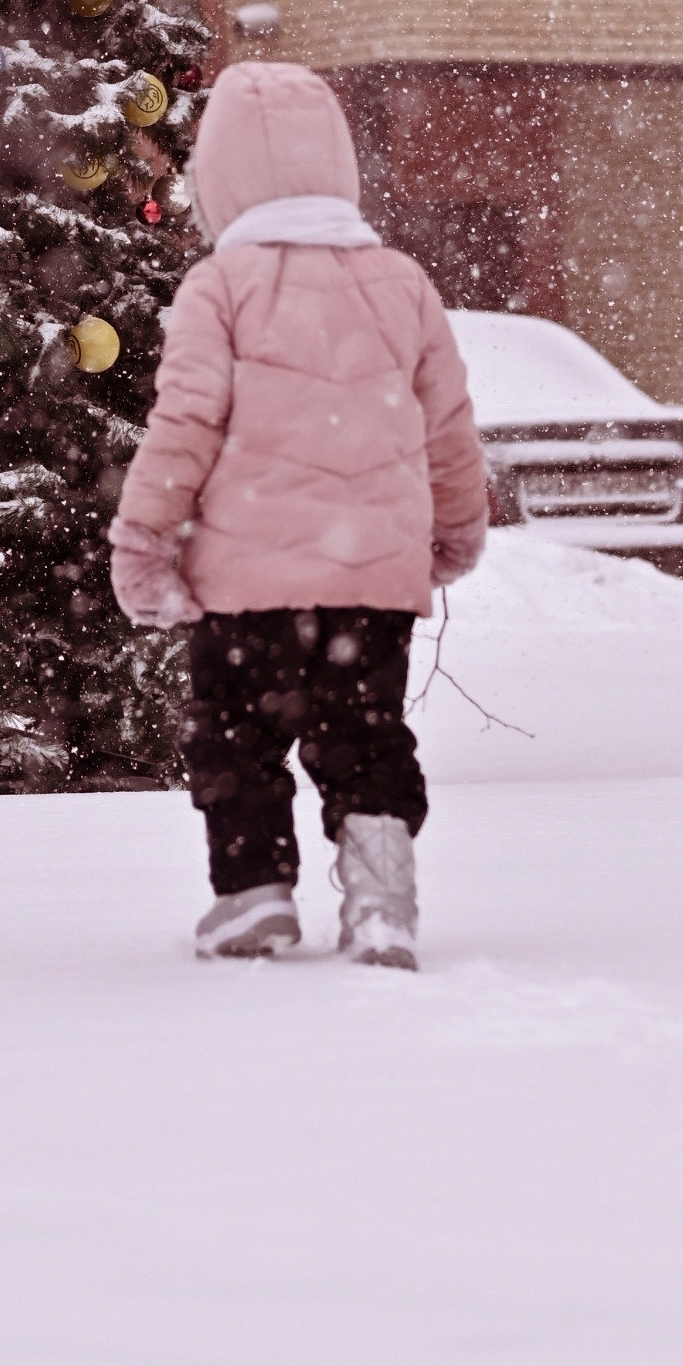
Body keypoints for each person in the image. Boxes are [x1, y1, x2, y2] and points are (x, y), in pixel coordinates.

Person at [109, 58, 489, 969]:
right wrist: (455, 528)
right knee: (364, 736)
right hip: (370, 582)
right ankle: (382, 900)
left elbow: (186, 425)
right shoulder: (402, 284)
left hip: (246, 585)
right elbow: (448, 423)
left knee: (234, 739)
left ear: (218, 183)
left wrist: (145, 539)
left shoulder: (222, 287)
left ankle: (251, 896)